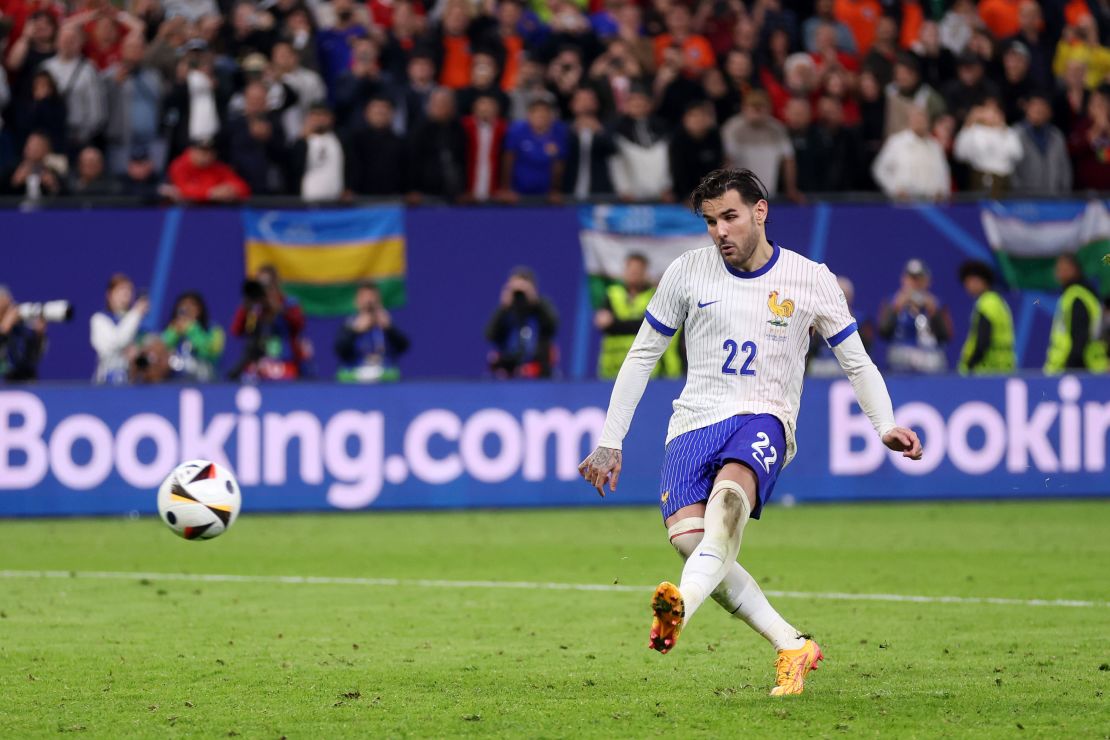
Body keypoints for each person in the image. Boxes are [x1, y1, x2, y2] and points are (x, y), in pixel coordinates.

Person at [577, 168, 922, 697]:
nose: (720, 231)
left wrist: (885, 423)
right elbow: (642, 355)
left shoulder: (811, 278)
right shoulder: (687, 272)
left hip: (765, 417)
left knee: (730, 502)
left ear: (760, 212)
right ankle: (792, 645)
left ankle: (679, 609)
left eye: (730, 217)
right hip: (692, 423)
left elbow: (856, 361)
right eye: (711, 221)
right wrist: (610, 438)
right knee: (695, 543)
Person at [595, 254, 682, 380]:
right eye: (630, 270)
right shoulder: (612, 294)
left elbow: (649, 325)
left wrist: (614, 324)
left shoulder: (655, 295)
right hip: (611, 370)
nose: (633, 274)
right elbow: (603, 323)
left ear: (645, 273)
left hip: (645, 371)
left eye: (637, 270)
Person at [229, 266, 307, 381]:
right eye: (260, 284)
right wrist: (246, 308)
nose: (264, 289)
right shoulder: (254, 308)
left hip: (284, 362)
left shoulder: (289, 303)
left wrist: (279, 309)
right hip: (257, 362)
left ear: (276, 283)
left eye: (267, 285)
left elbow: (299, 326)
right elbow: (236, 331)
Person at [878, 258, 953, 374]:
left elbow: (946, 336)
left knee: (936, 359)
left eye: (919, 279)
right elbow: (884, 332)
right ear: (904, 279)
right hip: (902, 352)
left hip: (928, 354)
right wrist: (896, 308)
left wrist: (934, 312)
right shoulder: (892, 302)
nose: (915, 283)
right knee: (898, 355)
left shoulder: (935, 304)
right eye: (912, 278)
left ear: (927, 281)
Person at [486, 266, 559, 379]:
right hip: (509, 376)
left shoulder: (540, 311)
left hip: (539, 376)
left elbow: (553, 324)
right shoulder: (506, 313)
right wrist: (503, 308)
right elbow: (490, 334)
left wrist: (535, 301)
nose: (519, 295)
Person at [1044, 254, 1109, 373]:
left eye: (1062, 269)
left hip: (1081, 370)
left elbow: (1080, 337)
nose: (1058, 273)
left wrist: (1071, 369)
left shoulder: (1077, 297)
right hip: (1087, 369)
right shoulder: (1079, 295)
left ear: (1074, 269)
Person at [335, 281, 410, 383]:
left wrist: (389, 329)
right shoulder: (349, 324)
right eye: (365, 297)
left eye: (372, 297)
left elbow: (403, 346)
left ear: (379, 300)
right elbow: (340, 350)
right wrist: (354, 331)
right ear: (357, 301)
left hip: (383, 373)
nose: (369, 301)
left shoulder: (386, 322)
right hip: (355, 373)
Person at [871, 107, 951, 201]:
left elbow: (944, 174)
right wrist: (895, 189)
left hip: (932, 206)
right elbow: (879, 169)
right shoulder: (896, 142)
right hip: (904, 203)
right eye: (916, 118)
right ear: (909, 120)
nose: (920, 122)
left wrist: (941, 191)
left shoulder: (935, 145)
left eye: (923, 118)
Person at [957, 260, 1016, 375]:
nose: (967, 286)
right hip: (1003, 369)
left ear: (980, 281)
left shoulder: (986, 303)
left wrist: (970, 365)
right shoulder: (998, 302)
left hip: (986, 371)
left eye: (969, 281)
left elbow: (982, 341)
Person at [91, 273, 149, 384]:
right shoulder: (99, 319)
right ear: (109, 294)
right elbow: (117, 341)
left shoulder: (138, 323)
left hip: (132, 384)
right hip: (105, 383)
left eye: (128, 291)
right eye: (120, 290)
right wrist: (136, 313)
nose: (125, 295)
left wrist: (139, 351)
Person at [1011, 92, 1072, 194]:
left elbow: (1065, 169)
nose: (1038, 109)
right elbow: (1011, 172)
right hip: (1024, 202)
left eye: (1042, 105)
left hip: (1055, 200)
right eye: (1034, 105)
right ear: (1026, 108)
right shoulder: (1015, 134)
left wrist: (1064, 194)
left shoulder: (1056, 136)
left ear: (1050, 111)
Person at [162, 291, 225, 382]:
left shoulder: (215, 330)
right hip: (174, 381)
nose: (187, 309)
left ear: (199, 310)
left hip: (206, 380)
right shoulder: (172, 329)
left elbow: (211, 352)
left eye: (192, 306)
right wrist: (174, 332)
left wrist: (191, 329)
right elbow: (161, 349)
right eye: (183, 307)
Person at [163, 138, 251, 203]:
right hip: (185, 214)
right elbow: (183, 190)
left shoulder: (218, 167)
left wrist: (231, 190)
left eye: (210, 152)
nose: (207, 156)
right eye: (203, 152)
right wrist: (210, 193)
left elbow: (243, 188)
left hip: (213, 215)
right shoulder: (179, 165)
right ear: (192, 151)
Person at [0, 285, 47, 382]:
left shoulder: (19, 329)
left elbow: (32, 359)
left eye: (9, 307)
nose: (8, 312)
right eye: (4, 309)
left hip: (22, 382)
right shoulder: (7, 327)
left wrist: (38, 336)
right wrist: (4, 329)